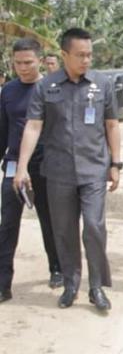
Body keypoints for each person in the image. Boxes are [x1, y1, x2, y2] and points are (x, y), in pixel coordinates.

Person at [13, 27, 121, 311]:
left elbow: (112, 124)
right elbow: (33, 126)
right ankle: (71, 284)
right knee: (64, 230)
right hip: (58, 171)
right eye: (80, 55)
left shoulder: (102, 84)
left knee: (95, 227)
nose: (86, 60)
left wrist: (116, 163)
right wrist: (22, 167)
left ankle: (96, 286)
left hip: (94, 169)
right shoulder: (45, 86)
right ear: (64, 55)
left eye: (89, 55)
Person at [0, 38, 63, 304]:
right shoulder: (8, 91)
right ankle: (4, 283)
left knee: (49, 220)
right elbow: (3, 129)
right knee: (8, 224)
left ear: (39, 60)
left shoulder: (51, 88)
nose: (23, 68)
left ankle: (57, 268)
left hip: (45, 165)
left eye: (28, 62)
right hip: (15, 165)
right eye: (18, 63)